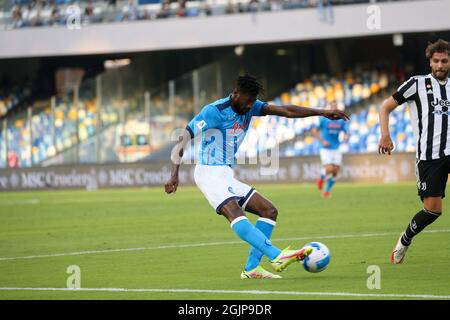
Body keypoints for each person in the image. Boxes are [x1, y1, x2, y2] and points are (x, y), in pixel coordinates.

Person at [165, 74, 349, 278]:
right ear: (235, 94)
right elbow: (183, 137)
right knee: (234, 212)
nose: (251, 106)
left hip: (225, 174)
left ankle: (252, 268)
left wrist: (322, 113)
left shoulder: (250, 106)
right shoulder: (214, 111)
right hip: (208, 171)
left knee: (269, 210)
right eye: (248, 101)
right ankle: (276, 255)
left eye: (253, 101)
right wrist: (174, 173)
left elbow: (286, 111)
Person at [378, 39, 450, 264]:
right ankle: (405, 240)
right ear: (430, 62)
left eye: (445, 61)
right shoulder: (416, 84)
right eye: (436, 61)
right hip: (429, 158)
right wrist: (385, 135)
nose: (440, 65)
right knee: (432, 211)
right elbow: (385, 107)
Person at [313, 101, 348, 198]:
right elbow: (315, 131)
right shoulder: (324, 119)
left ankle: (326, 191)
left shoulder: (340, 120)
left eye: (335, 105)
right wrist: (322, 141)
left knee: (335, 171)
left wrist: (345, 136)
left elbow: (345, 131)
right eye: (332, 105)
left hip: (336, 147)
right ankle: (321, 176)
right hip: (325, 148)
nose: (334, 107)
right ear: (329, 107)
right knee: (329, 168)